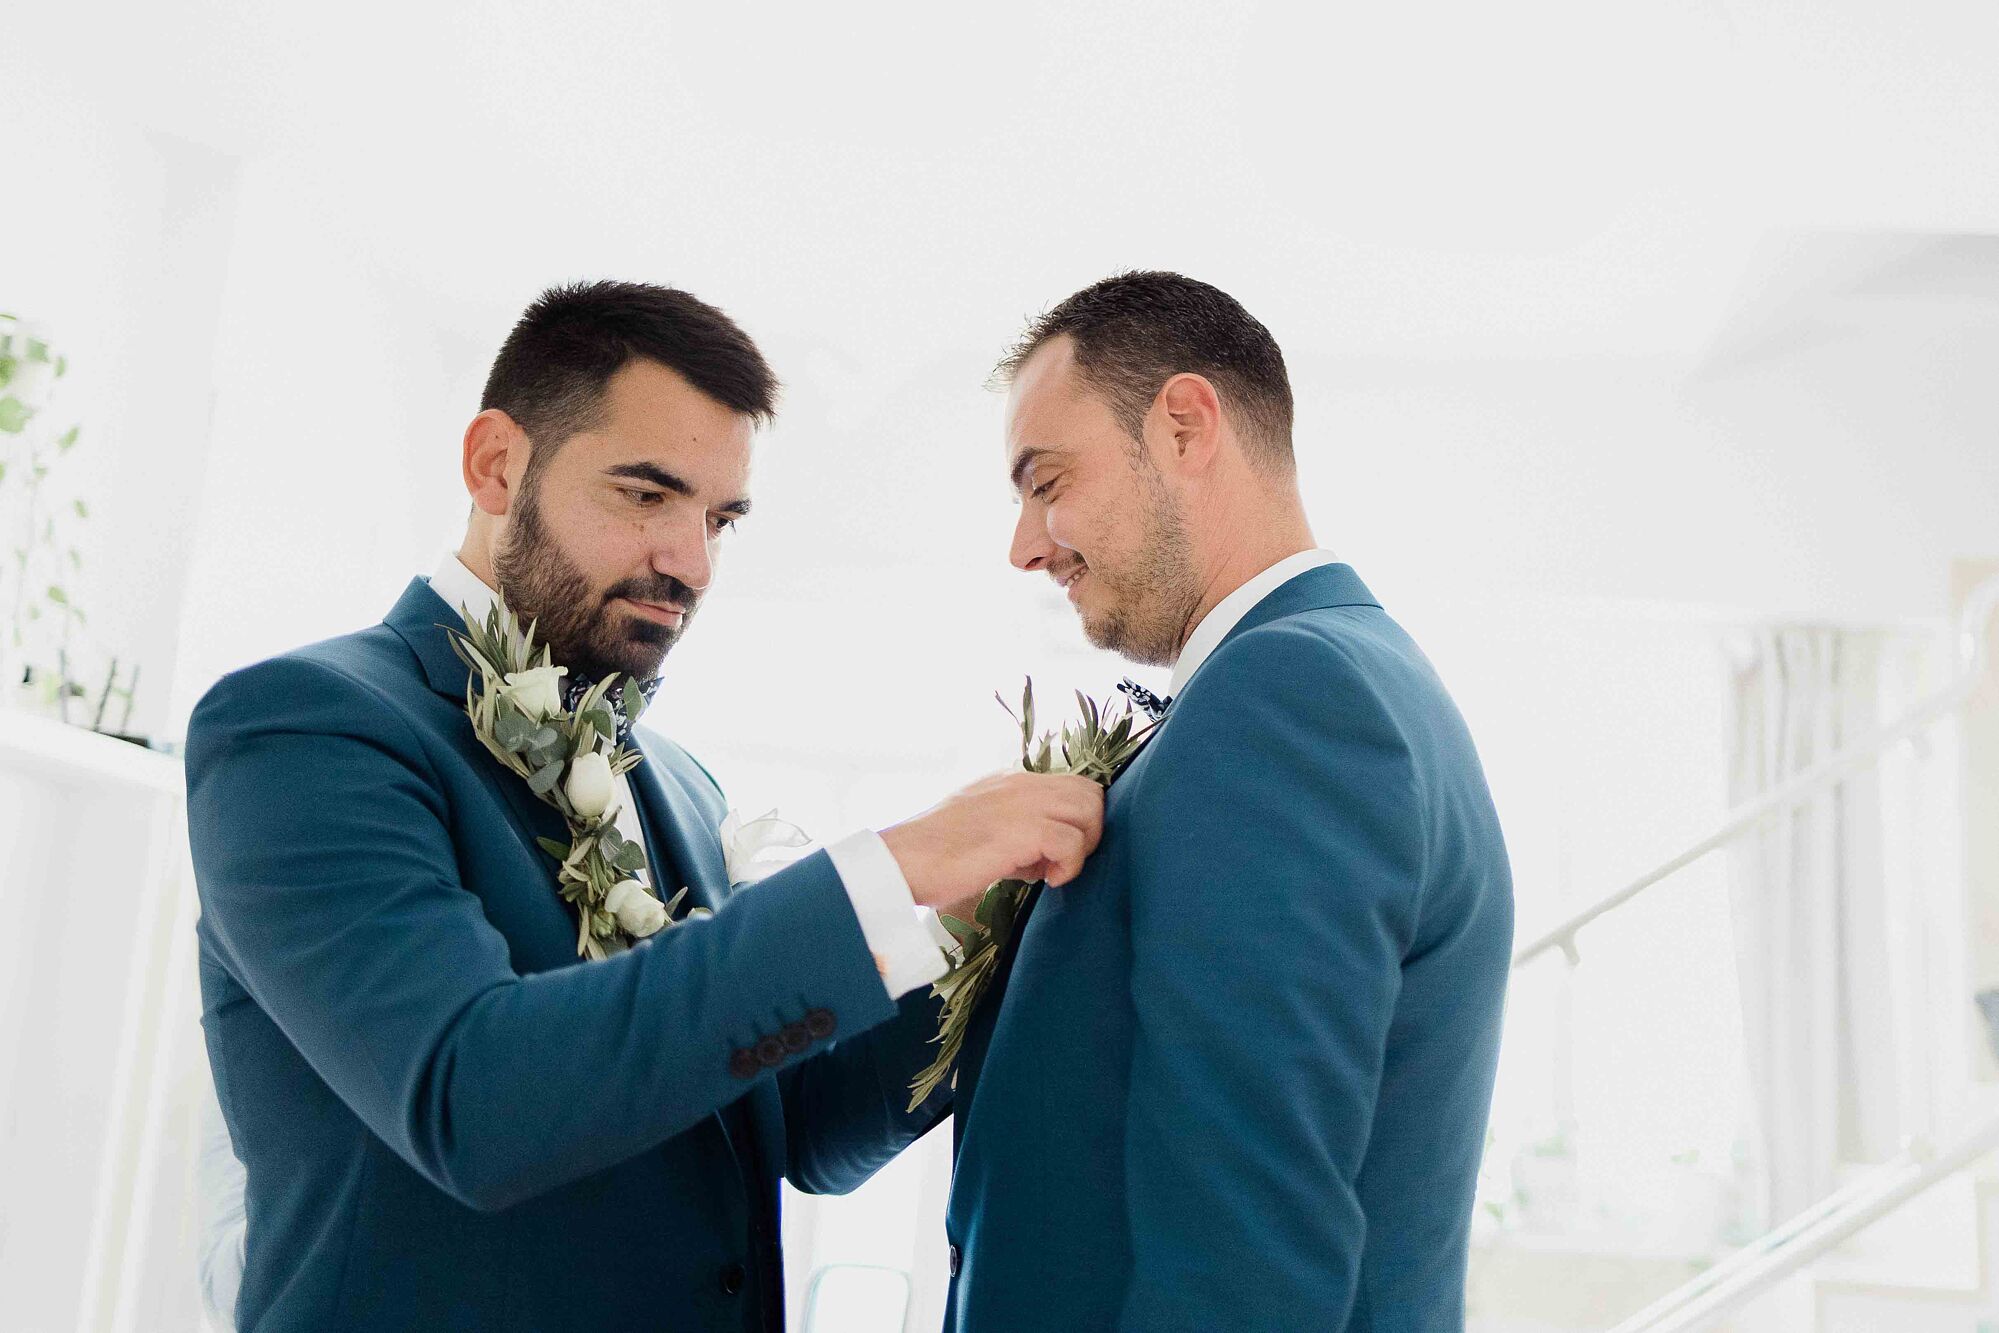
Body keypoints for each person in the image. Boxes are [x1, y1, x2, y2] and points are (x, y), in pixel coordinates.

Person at [185, 279, 1103, 1332]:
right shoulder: (301, 728)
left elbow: (799, 1129)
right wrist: (886, 871)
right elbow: (472, 1102)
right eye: (646, 495)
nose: (691, 562)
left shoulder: (678, 782)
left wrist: (976, 921)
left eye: (719, 518)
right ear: (495, 465)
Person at [941, 271, 1514, 1331]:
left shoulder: (1288, 692)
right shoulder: (1334, 674)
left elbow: (1247, 1236)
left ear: (1184, 426)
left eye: (1046, 480)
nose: (1024, 545)